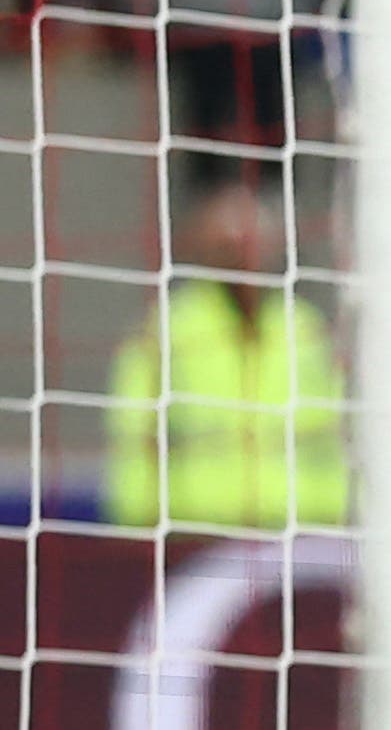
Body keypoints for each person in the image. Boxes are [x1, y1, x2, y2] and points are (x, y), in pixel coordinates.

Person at [103, 177, 348, 531]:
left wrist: (337, 509)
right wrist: (138, 519)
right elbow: (133, 431)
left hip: (302, 526)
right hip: (195, 528)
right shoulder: (168, 329)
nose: (240, 257)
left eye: (251, 243)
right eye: (226, 244)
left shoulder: (304, 326)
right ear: (201, 249)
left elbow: (338, 427)